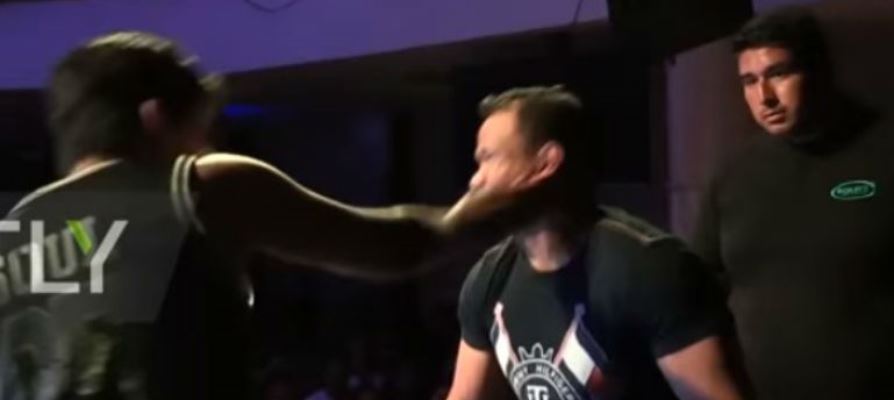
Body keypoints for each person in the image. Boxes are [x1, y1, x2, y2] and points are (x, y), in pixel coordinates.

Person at [0, 31, 540, 399]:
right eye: (200, 127)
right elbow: (399, 246)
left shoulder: (17, 231)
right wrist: (516, 197)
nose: (206, 144)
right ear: (155, 118)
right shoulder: (199, 186)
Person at [691, 8, 894, 400]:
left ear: (819, 71)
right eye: (749, 81)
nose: (764, 96)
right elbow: (695, 308)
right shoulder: (732, 178)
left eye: (779, 74)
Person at [445, 86, 745, 400]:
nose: (476, 179)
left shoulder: (649, 269)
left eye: (489, 158)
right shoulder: (489, 278)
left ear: (545, 163)